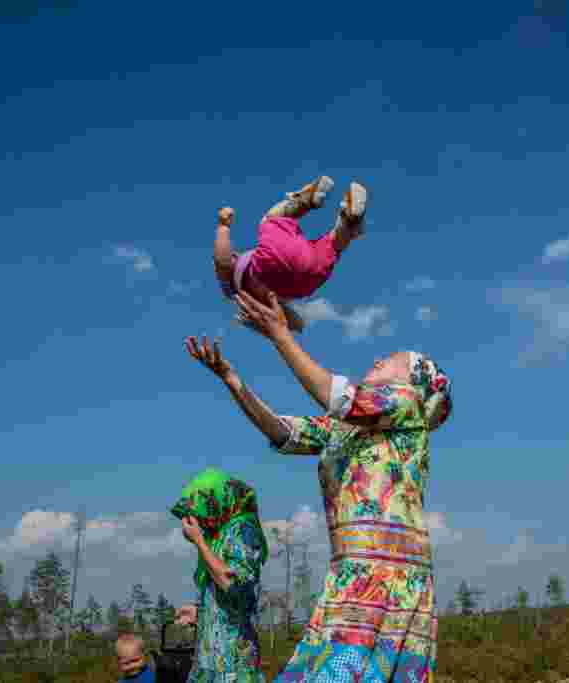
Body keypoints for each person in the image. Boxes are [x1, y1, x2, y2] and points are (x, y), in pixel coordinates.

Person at [184, 290, 453, 682]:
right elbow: (283, 431)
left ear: (414, 384)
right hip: (350, 575)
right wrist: (232, 379)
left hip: (387, 577)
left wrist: (280, 335)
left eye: (390, 361)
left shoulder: (406, 407)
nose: (377, 360)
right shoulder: (345, 430)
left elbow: (343, 398)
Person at [212, 176, 368, 333]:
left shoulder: (256, 303)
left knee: (333, 246)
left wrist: (296, 324)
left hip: (305, 283)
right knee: (270, 219)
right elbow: (222, 261)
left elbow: (292, 322)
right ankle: (305, 201)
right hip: (271, 262)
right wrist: (223, 227)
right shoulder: (231, 284)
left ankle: (349, 221)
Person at [171, 468, 269, 683]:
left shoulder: (243, 530)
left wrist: (199, 541)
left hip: (233, 663)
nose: (200, 520)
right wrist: (200, 612)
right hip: (208, 663)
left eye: (201, 512)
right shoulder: (219, 536)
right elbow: (225, 601)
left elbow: (232, 584)